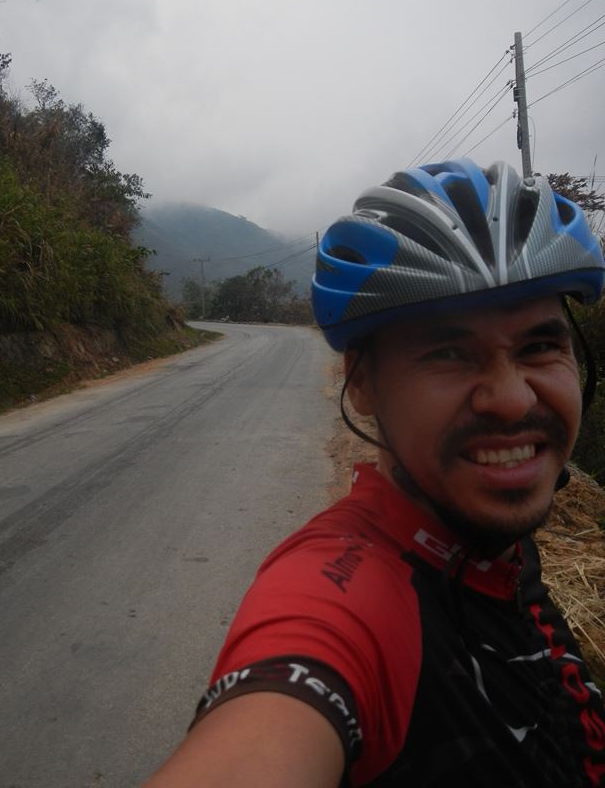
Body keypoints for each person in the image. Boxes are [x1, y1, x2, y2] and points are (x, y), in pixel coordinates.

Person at [144, 158, 605, 787]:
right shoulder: (345, 596)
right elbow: (278, 710)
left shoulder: (495, 544)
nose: (512, 399)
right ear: (361, 383)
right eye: (449, 353)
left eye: (539, 346)